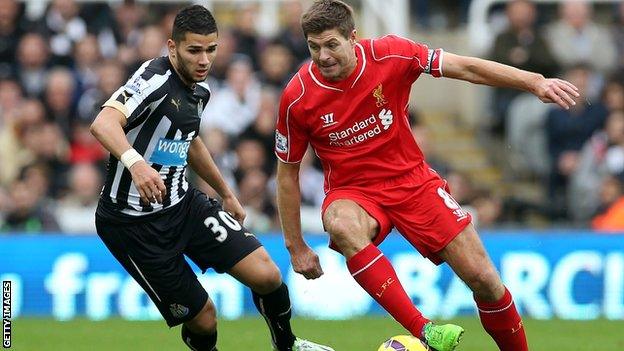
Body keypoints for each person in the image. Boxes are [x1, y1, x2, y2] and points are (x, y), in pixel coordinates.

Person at [274, 1, 580, 351]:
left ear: (353, 38)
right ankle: (425, 330)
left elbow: (464, 67)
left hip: (413, 181)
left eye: (331, 45)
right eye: (314, 47)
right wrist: (295, 245)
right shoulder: (297, 98)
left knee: (485, 281)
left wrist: (533, 81)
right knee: (342, 224)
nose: (323, 56)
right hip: (353, 192)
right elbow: (287, 175)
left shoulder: (392, 54)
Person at [89, 5, 334, 351]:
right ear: (172, 47)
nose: (204, 60)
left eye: (211, 50)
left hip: (183, 205)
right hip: (133, 225)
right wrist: (136, 163)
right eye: (194, 50)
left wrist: (226, 192)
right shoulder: (153, 78)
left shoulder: (199, 90)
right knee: (204, 317)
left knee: (267, 275)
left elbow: (190, 141)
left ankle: (287, 345)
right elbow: (104, 123)